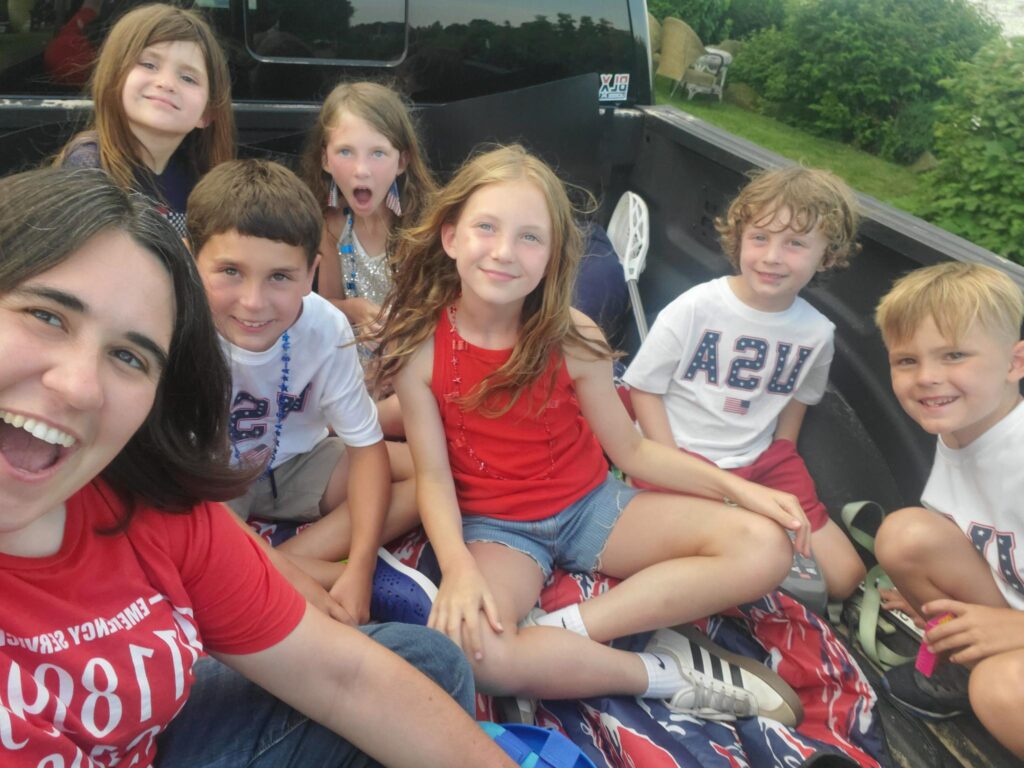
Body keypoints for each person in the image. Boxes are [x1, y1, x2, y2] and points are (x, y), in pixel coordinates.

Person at [0, 166, 516, 768]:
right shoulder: (189, 375)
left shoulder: (149, 501)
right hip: (227, 484)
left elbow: (348, 678)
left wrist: (344, 573)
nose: (79, 386)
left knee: (429, 661)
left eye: (127, 355)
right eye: (46, 316)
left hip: (284, 473)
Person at [374, 145, 808, 722]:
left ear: (553, 257)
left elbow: (632, 450)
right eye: (486, 228)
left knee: (766, 547)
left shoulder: (573, 336)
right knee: (473, 651)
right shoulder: (423, 352)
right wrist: (457, 567)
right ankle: (664, 673)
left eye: (530, 237)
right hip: (498, 531)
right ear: (451, 237)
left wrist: (740, 490)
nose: (504, 251)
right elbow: (433, 476)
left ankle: (565, 631)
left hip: (594, 506)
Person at [187, 158, 428, 626]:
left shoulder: (325, 327)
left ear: (311, 272)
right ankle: (297, 572)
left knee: (434, 477)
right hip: (208, 484)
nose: (253, 302)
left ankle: (279, 565)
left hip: (295, 463)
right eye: (230, 271)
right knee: (178, 522)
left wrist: (360, 569)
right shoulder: (175, 323)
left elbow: (366, 448)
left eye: (280, 276)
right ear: (191, 260)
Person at [622, 166, 866, 600]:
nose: (772, 256)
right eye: (760, 238)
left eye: (795, 244)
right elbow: (643, 387)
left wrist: (783, 450)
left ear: (827, 256)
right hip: (679, 454)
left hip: (762, 464)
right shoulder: (697, 307)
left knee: (845, 578)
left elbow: (799, 398)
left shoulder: (817, 333)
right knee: (688, 562)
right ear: (739, 240)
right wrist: (668, 461)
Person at [872, 262, 1024, 755]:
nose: (928, 378)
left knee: (1001, 691)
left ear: (1015, 363)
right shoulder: (962, 430)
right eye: (907, 360)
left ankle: (985, 675)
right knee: (904, 537)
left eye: (954, 355)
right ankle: (965, 666)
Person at [301, 81, 438, 437]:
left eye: (378, 153)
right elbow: (326, 303)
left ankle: (358, 432)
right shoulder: (332, 225)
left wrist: (400, 352)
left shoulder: (424, 225)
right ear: (325, 159)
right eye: (346, 152)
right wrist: (356, 309)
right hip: (357, 366)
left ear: (402, 161)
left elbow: (443, 313)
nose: (361, 169)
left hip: (415, 361)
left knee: (413, 404)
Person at [55, 4, 234, 236]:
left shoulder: (195, 176)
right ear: (113, 76)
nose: (166, 83)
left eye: (188, 78)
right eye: (149, 65)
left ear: (207, 113)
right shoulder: (89, 167)